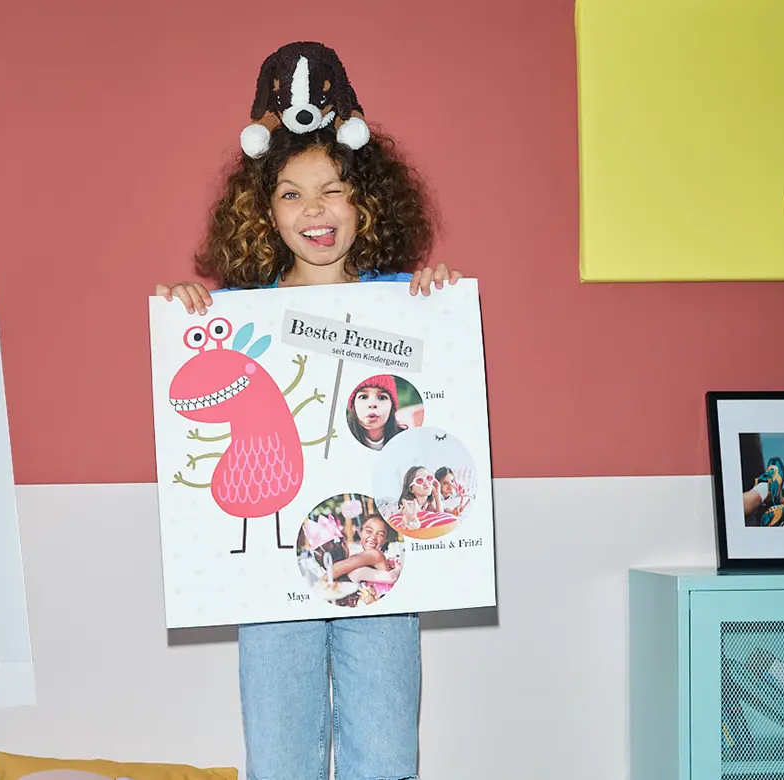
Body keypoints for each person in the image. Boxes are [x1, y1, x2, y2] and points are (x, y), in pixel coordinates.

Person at [153, 41, 461, 780]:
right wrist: (187, 317)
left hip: (382, 562)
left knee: (385, 754)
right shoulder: (238, 315)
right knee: (280, 756)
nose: (313, 210)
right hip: (270, 570)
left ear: (366, 201)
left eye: (332, 189)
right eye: (290, 192)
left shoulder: (406, 306)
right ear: (263, 211)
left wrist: (440, 306)